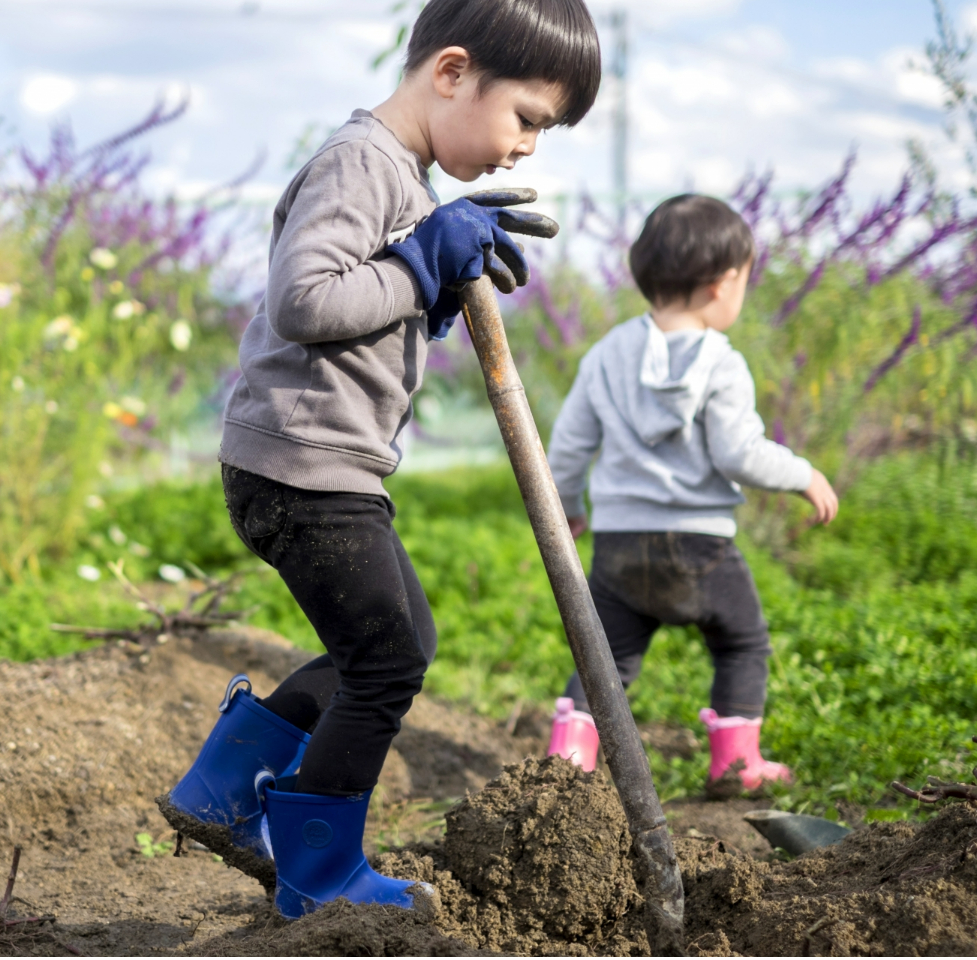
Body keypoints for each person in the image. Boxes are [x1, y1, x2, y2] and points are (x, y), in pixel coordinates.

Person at [158, 0, 602, 920]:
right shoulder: (361, 162)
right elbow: (305, 301)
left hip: (333, 467)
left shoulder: (406, 180)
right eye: (526, 118)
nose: (526, 148)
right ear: (452, 72)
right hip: (302, 466)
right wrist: (417, 265)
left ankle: (224, 786)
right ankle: (318, 873)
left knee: (399, 647)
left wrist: (425, 290)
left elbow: (364, 312)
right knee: (384, 662)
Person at [545, 194, 839, 791]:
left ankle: (568, 762)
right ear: (721, 283)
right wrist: (804, 475)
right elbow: (739, 453)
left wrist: (569, 507)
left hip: (620, 542)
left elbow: (569, 447)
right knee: (741, 641)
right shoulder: (721, 363)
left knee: (605, 660)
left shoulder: (605, 355)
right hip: (700, 543)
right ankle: (736, 764)